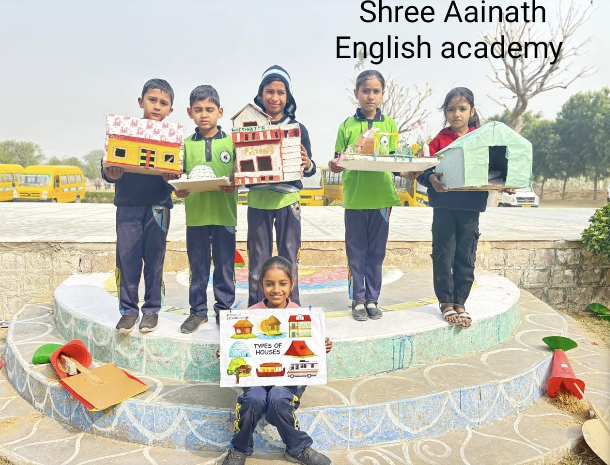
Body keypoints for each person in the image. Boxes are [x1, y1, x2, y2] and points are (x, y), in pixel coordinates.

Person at [220, 256, 332, 465]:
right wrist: (226, 353)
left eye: (282, 283)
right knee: (254, 398)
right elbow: (241, 347)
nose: (276, 290)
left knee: (279, 397)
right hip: (257, 379)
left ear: (292, 284)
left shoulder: (301, 315)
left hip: (288, 380)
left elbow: (306, 349)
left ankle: (298, 448)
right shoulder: (251, 314)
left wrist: (321, 347)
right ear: (261, 285)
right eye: (269, 284)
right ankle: (240, 448)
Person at [101, 78, 178, 334]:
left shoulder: (173, 139)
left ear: (170, 110)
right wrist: (110, 173)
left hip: (159, 208)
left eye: (163, 103)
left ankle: (152, 310)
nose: (157, 106)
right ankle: (128, 311)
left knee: (155, 259)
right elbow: (108, 164)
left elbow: (179, 172)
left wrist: (173, 177)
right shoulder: (124, 131)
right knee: (127, 258)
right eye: (152, 100)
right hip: (128, 206)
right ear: (140, 101)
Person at [328, 70, 400, 322]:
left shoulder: (389, 125)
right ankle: (357, 299)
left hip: (382, 199)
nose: (371, 96)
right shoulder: (346, 126)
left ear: (382, 94)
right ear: (356, 93)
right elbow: (339, 159)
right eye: (365, 91)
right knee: (356, 251)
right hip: (356, 198)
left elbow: (393, 160)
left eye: (376, 91)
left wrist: (409, 171)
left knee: (377, 253)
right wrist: (335, 165)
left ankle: (372, 299)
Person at [415, 87, 488, 328]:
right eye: (451, 109)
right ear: (445, 112)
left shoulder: (482, 139)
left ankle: (460, 302)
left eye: (462, 108)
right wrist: (430, 178)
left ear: (472, 111)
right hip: (444, 207)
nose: (457, 114)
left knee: (466, 256)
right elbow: (423, 170)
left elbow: (495, 168)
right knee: (443, 254)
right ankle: (446, 302)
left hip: (470, 208)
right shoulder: (438, 141)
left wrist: (505, 184)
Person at [246, 65, 316, 308]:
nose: (274, 97)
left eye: (280, 92)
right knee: (258, 261)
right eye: (269, 91)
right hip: (258, 200)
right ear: (260, 94)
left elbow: (309, 168)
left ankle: (291, 309)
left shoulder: (297, 128)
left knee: (289, 258)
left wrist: (307, 163)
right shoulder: (249, 126)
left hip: (288, 200)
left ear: (288, 96)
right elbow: (241, 163)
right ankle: (256, 310)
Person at [175, 85, 237, 333]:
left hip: (225, 215)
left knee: (225, 266)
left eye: (209, 109)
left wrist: (235, 183)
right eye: (198, 109)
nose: (204, 114)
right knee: (198, 268)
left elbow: (241, 173)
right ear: (189, 112)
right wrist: (178, 189)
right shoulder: (184, 145)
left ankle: (224, 310)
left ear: (220, 112)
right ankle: (198, 312)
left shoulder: (232, 143)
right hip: (196, 217)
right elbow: (178, 175)